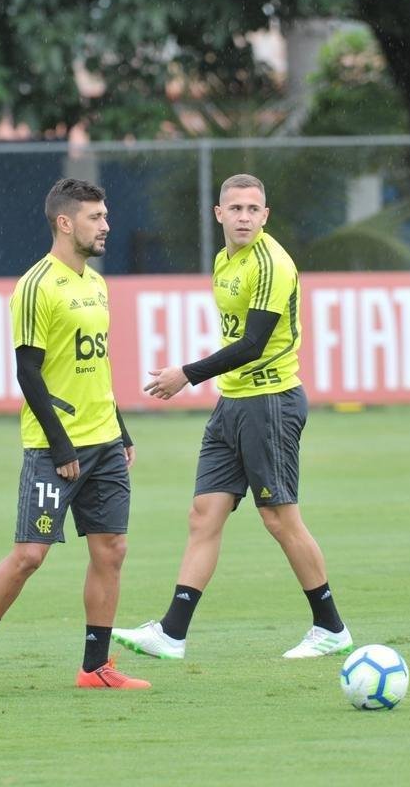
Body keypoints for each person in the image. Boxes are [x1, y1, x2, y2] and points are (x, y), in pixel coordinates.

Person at [113, 173, 352, 661]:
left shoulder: (271, 263)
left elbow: (253, 344)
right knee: (204, 515)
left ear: (265, 216)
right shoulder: (224, 260)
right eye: (236, 208)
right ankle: (172, 633)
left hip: (270, 401)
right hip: (233, 403)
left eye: (253, 209)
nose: (244, 217)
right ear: (219, 214)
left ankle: (331, 628)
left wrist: (187, 374)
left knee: (280, 518)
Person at [0, 178, 148, 697]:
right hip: (56, 449)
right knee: (29, 555)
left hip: (104, 443)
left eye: (105, 215)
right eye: (96, 217)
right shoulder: (36, 286)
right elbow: (27, 372)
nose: (106, 225)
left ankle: (95, 666)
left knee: (111, 550)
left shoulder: (96, 283)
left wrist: (120, 430)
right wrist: (60, 445)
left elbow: (97, 366)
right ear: (65, 223)